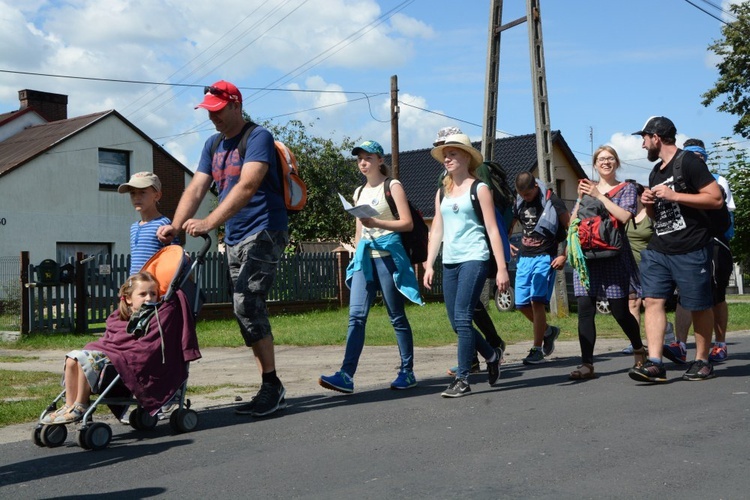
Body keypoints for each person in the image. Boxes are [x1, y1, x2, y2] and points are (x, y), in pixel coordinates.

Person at [157, 80, 289, 417]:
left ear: (235, 105)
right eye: (208, 112)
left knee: (248, 302)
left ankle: (271, 385)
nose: (211, 118)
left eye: (216, 111)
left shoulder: (257, 136)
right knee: (241, 307)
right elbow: (197, 187)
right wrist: (176, 224)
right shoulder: (212, 143)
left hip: (264, 230)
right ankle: (269, 384)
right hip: (234, 235)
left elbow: (247, 186)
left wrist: (208, 223)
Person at [318, 140, 422, 394]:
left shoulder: (392, 186)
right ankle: (346, 375)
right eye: (359, 159)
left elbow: (407, 224)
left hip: (387, 257)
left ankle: (407, 372)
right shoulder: (358, 192)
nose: (363, 163)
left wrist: (376, 221)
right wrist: (355, 253)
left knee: (396, 316)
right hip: (365, 258)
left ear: (380, 160)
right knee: (356, 316)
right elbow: (359, 229)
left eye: (368, 158)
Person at [629, 117, 724, 383]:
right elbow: (659, 217)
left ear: (656, 137)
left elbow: (715, 198)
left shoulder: (689, 162)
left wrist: (674, 195)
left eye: (644, 138)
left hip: (691, 247)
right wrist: (648, 202)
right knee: (652, 300)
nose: (643, 144)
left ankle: (702, 361)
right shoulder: (656, 171)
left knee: (698, 305)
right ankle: (655, 363)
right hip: (661, 248)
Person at [423, 133, 510, 397]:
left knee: (463, 317)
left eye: (453, 154)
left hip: (475, 257)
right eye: (445, 155)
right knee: (455, 322)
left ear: (467, 158)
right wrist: (429, 264)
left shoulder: (479, 188)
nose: (447, 159)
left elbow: (493, 230)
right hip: (450, 261)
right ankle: (491, 355)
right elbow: (436, 228)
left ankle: (462, 378)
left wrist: (502, 267)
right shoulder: (442, 191)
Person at [42, 272, 161, 424]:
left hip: (126, 359)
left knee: (85, 359)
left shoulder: (155, 316)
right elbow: (111, 340)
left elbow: (144, 345)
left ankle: (81, 405)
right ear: (129, 298)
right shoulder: (118, 317)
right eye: (143, 294)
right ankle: (69, 405)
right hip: (110, 352)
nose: (149, 298)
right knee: (72, 358)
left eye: (153, 294)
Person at [567, 147, 644, 380]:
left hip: (614, 255)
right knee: (584, 309)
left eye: (610, 158)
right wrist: (582, 198)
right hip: (587, 258)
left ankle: (639, 350)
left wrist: (600, 196)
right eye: (601, 159)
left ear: (616, 162)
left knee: (620, 310)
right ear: (595, 164)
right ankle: (587, 364)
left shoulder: (627, 188)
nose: (606, 162)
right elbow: (572, 223)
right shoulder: (586, 189)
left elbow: (624, 217)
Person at [665, 139, 735, 364]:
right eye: (691, 155)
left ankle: (720, 344)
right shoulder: (675, 179)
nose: (697, 160)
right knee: (684, 295)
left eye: (700, 156)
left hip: (715, 242)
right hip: (687, 244)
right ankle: (680, 344)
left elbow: (720, 208)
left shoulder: (717, 180)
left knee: (716, 295)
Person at [510, 172, 570, 365]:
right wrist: (505, 243)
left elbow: (572, 227)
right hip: (525, 256)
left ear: (535, 187)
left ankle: (536, 349)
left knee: (537, 301)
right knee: (520, 304)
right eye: (522, 195)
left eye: (527, 195)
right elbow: (509, 225)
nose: (525, 198)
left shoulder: (552, 200)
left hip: (546, 256)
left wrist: (564, 255)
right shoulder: (519, 200)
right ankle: (548, 331)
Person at [620, 182, 675, 354]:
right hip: (629, 265)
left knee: (649, 303)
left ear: (637, 196)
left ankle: (666, 329)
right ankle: (635, 342)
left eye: (629, 195)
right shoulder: (624, 214)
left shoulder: (649, 214)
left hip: (650, 264)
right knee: (632, 303)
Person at [118, 172, 173, 275]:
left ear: (157, 196)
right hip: (136, 285)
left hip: (154, 287)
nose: (136, 197)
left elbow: (175, 257)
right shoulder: (134, 227)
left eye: (142, 192)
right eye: (132, 193)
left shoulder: (163, 224)